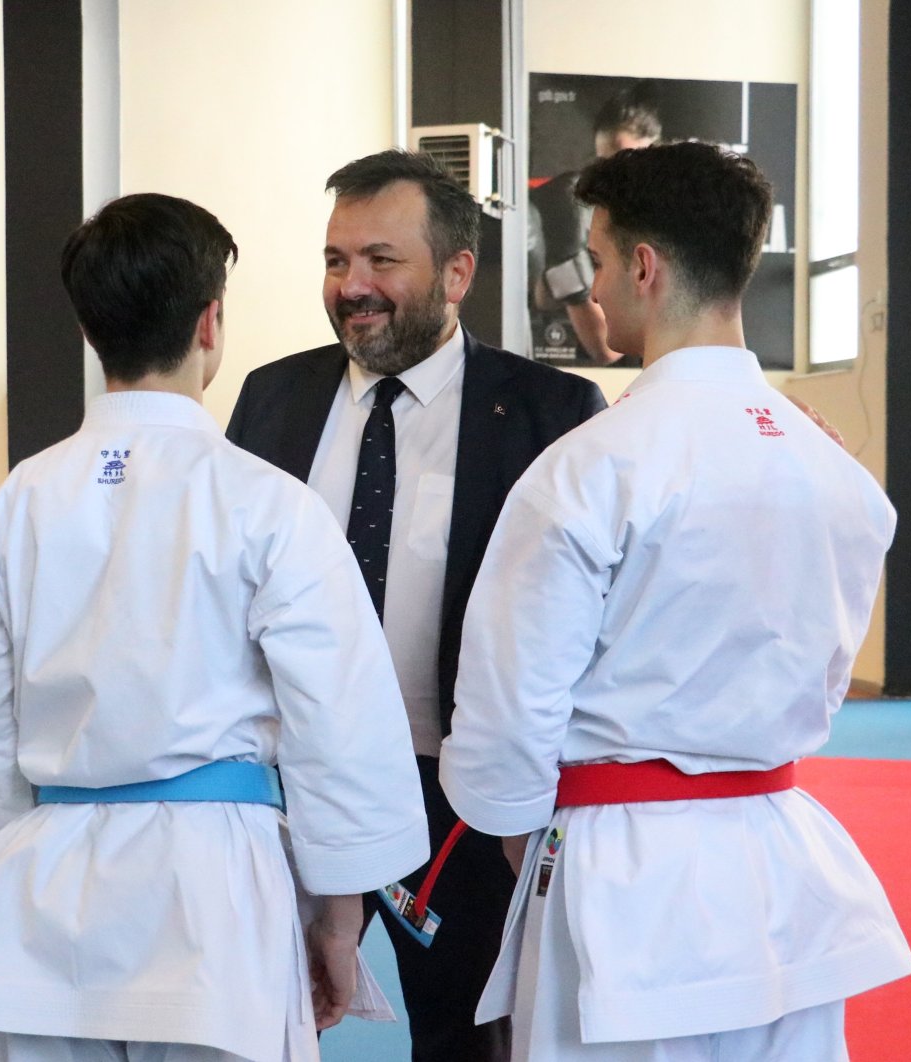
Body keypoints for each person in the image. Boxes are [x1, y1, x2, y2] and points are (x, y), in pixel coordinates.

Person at [0, 192, 429, 1061]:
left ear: (88, 330)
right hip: (213, 890)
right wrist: (338, 924)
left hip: (51, 874)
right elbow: (339, 730)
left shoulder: (11, 508)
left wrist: (12, 865)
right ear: (210, 322)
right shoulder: (267, 507)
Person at [440, 142, 911, 1059]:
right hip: (782, 866)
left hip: (625, 881)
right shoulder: (841, 477)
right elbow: (819, 686)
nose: (596, 285)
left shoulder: (588, 469)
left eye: (599, 259)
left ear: (643, 268)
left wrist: (518, 831)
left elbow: (506, 715)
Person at [226, 150, 605, 1062]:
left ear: (457, 271)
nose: (351, 286)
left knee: (465, 1031)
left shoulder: (553, 411)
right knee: (254, 1022)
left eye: (381, 261)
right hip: (288, 778)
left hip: (460, 790)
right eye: (334, 260)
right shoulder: (272, 398)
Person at [530, 84, 661, 365]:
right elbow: (544, 301)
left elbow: (606, 349)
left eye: (626, 161)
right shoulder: (587, 209)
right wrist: (559, 258)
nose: (613, 176)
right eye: (604, 162)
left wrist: (568, 269)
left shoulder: (665, 225)